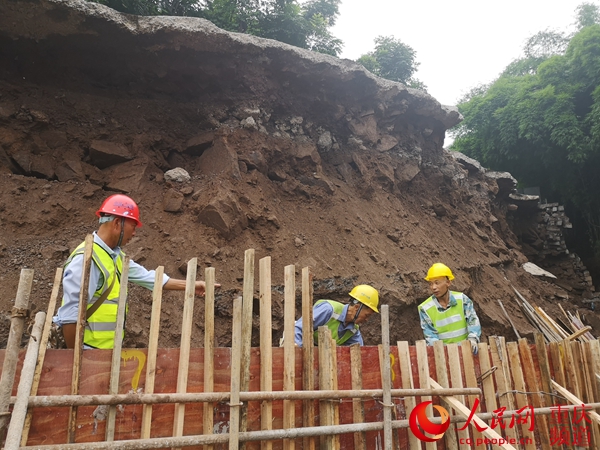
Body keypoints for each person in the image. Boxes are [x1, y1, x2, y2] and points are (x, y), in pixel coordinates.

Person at [54, 194, 219, 349]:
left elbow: (150, 278)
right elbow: (71, 316)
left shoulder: (114, 256)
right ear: (117, 224)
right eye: (133, 227)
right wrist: (77, 359)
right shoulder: (88, 259)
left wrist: (191, 285)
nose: (134, 233)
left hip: (103, 354)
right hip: (86, 354)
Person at [418, 263, 481, 354]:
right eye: (431, 284)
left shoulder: (462, 300)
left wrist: (473, 339)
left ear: (448, 282)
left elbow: (473, 321)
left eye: (437, 283)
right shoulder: (425, 308)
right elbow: (431, 337)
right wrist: (442, 353)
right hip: (443, 355)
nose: (433, 287)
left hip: (466, 352)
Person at [293, 284, 380, 347]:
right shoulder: (328, 310)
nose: (366, 319)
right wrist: (298, 351)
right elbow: (299, 328)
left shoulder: (353, 330)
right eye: (367, 315)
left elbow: (360, 352)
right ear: (357, 307)